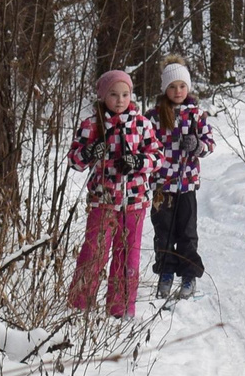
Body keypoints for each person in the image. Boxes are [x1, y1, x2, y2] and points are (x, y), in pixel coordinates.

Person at [67, 69, 162, 319]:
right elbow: (75, 161)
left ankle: (120, 308)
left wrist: (137, 161)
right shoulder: (91, 125)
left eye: (125, 94)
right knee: (93, 252)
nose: (120, 100)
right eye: (113, 94)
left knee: (127, 254)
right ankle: (80, 304)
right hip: (103, 201)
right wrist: (89, 152)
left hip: (135, 202)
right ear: (103, 96)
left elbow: (158, 157)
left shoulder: (142, 124)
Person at [150, 56, 214, 300]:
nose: (177, 91)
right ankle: (165, 273)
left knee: (187, 232)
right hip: (161, 186)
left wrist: (197, 144)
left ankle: (188, 275)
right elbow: (146, 145)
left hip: (186, 184)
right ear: (165, 88)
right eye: (172, 86)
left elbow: (209, 145)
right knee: (164, 231)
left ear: (188, 88)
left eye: (182, 86)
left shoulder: (197, 115)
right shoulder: (154, 116)